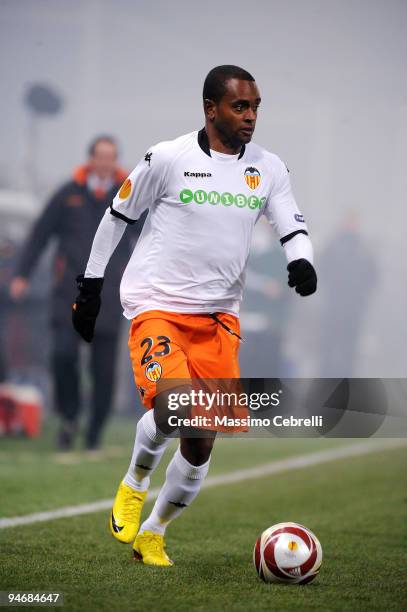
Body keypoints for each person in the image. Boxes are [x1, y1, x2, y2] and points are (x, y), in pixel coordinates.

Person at [72, 66, 317, 566]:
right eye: (239, 107)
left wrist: (302, 261)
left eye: (255, 107)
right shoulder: (167, 157)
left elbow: (291, 223)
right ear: (211, 109)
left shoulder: (269, 167)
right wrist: (91, 286)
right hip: (157, 306)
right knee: (175, 407)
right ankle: (135, 480)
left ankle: (155, 531)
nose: (250, 117)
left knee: (201, 441)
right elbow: (117, 215)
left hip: (218, 316)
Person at [10, 136, 138, 450]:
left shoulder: (129, 196)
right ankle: (69, 417)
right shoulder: (68, 195)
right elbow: (39, 235)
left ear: (116, 160)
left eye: (111, 157)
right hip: (69, 291)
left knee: (103, 371)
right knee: (63, 355)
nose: (105, 162)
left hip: (108, 297)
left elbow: (150, 237)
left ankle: (95, 430)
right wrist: (22, 275)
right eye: (100, 156)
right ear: (91, 159)